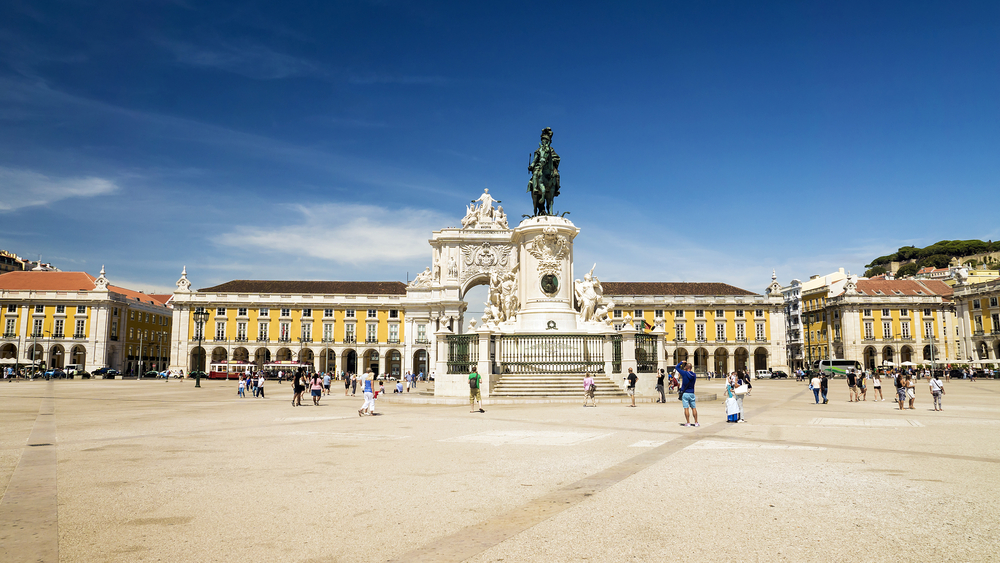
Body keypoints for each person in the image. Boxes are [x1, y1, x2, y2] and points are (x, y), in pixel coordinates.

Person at [676, 362, 698, 426]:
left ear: (686, 367)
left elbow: (677, 367)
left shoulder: (684, 373)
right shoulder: (694, 375)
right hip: (691, 393)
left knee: (686, 408)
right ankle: (696, 422)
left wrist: (681, 362)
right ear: (691, 368)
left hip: (685, 393)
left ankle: (688, 422)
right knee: (694, 408)